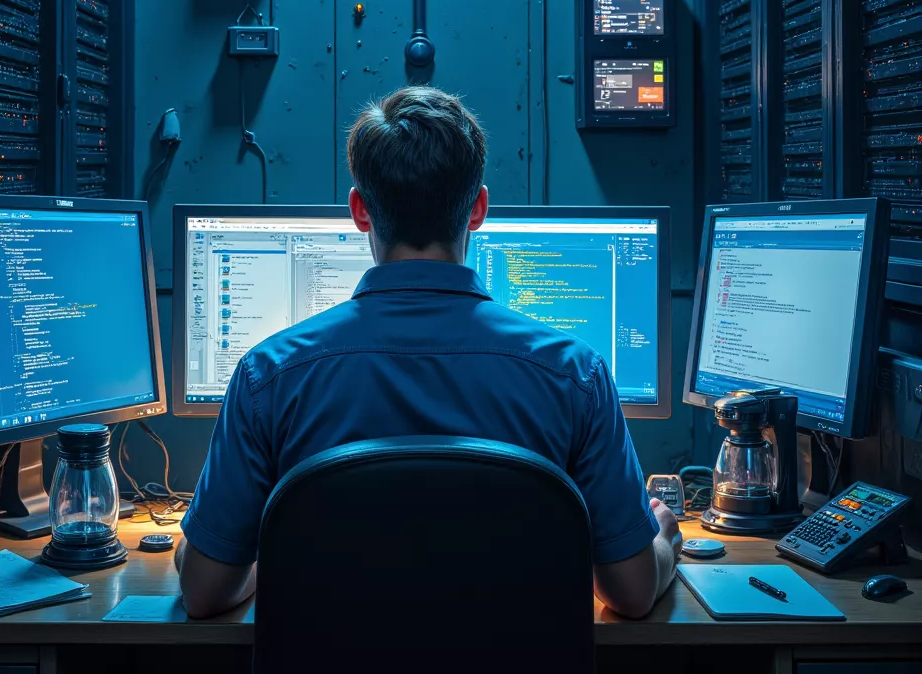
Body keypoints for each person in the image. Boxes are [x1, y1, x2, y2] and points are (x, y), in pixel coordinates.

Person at [176, 86, 682, 619]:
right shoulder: (576, 374)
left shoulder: (268, 374)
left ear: (359, 211)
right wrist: (664, 540)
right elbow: (630, 593)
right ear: (479, 208)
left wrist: (270, 553)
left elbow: (204, 592)